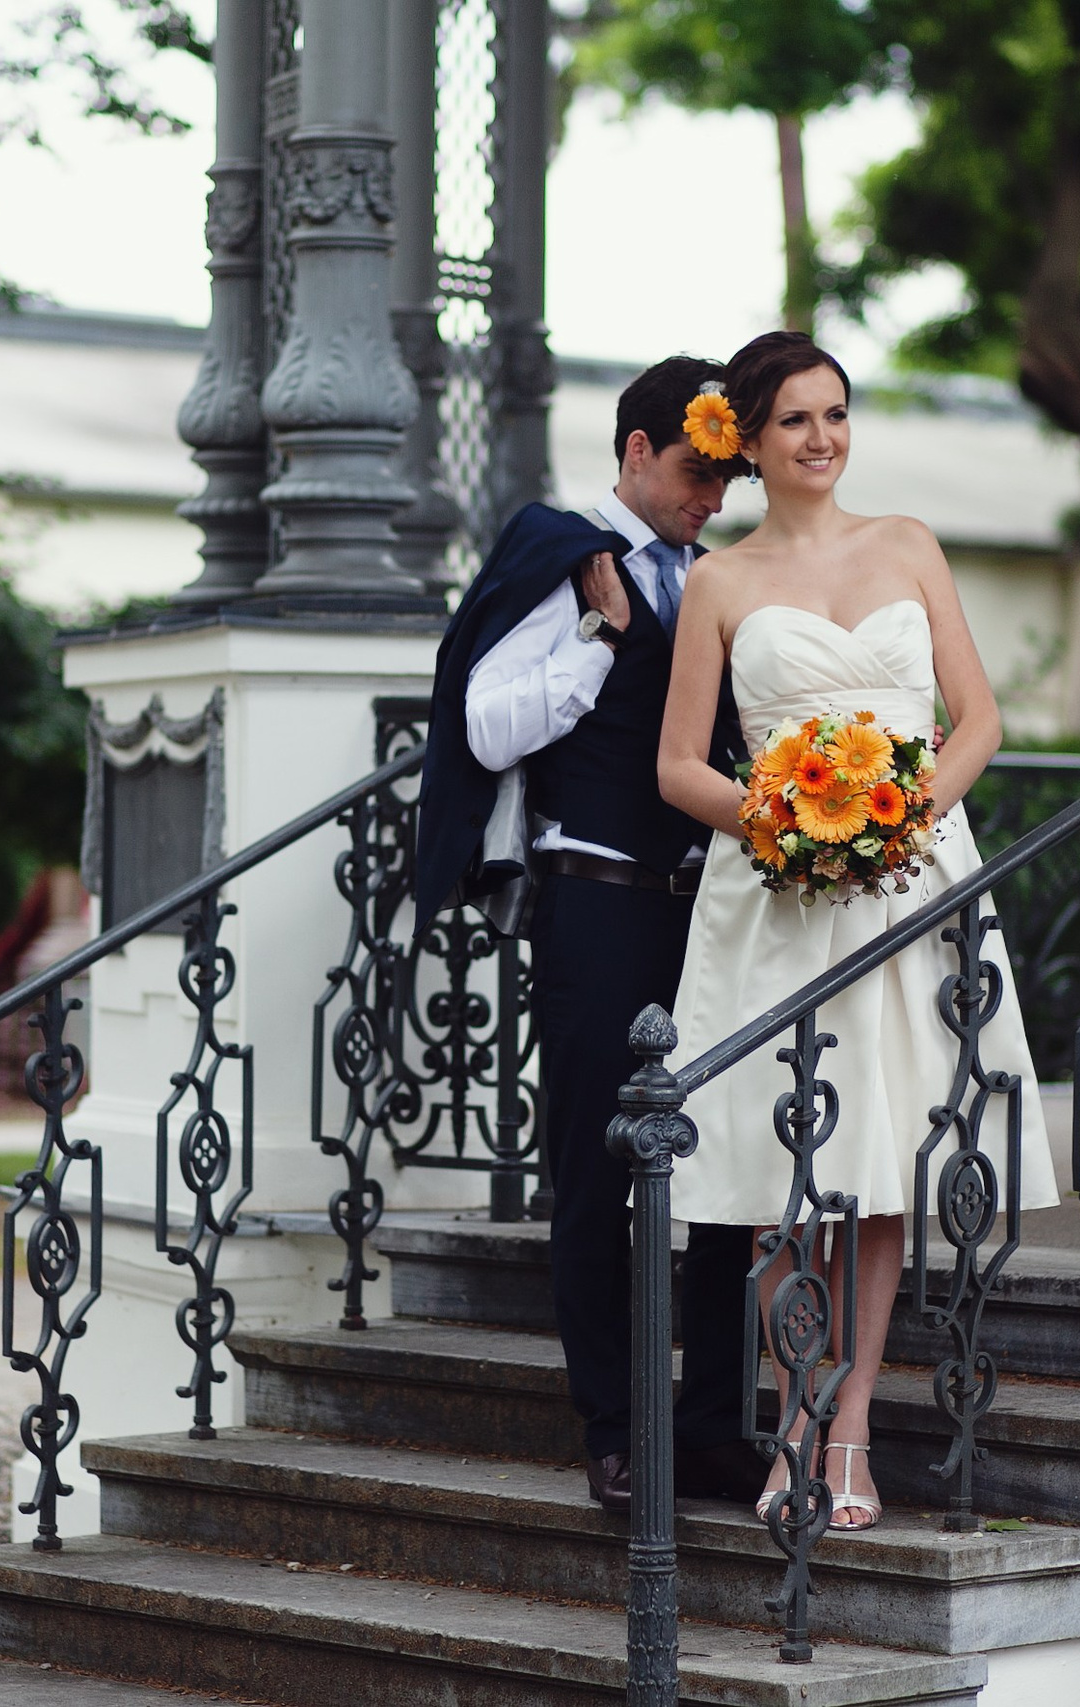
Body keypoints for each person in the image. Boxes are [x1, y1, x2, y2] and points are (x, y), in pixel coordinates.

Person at [657, 331, 1060, 1529]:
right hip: (775, 900)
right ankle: (789, 1423)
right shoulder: (719, 583)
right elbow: (677, 767)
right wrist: (785, 825)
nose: (822, 438)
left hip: (909, 882)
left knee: (882, 1157)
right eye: (794, 419)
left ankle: (850, 1434)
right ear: (746, 439)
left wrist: (898, 825)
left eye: (835, 414)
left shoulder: (909, 545)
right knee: (781, 1167)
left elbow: (976, 720)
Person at [414, 357, 768, 1516]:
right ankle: (614, 1431)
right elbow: (484, 726)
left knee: (724, 1168)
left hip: (712, 907)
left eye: (725, 481)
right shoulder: (557, 553)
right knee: (593, 1171)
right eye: (694, 472)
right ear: (636, 450)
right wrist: (600, 638)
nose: (708, 498)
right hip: (597, 902)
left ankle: (711, 1427)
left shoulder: (717, 579)